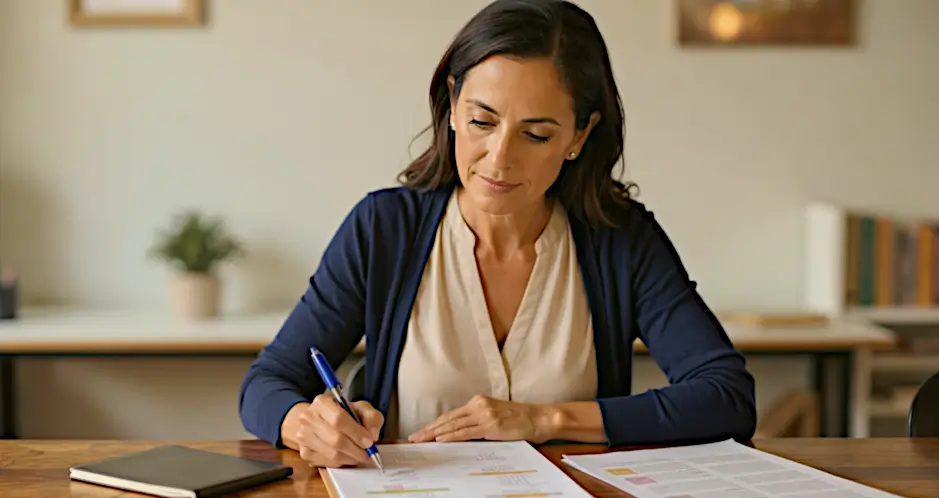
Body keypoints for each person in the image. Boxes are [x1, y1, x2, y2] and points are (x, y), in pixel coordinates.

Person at [238, 0, 756, 469]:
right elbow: (266, 384)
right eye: (482, 122)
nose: (500, 158)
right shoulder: (383, 230)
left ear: (579, 135)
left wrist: (544, 419)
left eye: (536, 134)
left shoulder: (621, 240)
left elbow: (727, 396)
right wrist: (308, 426)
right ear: (453, 104)